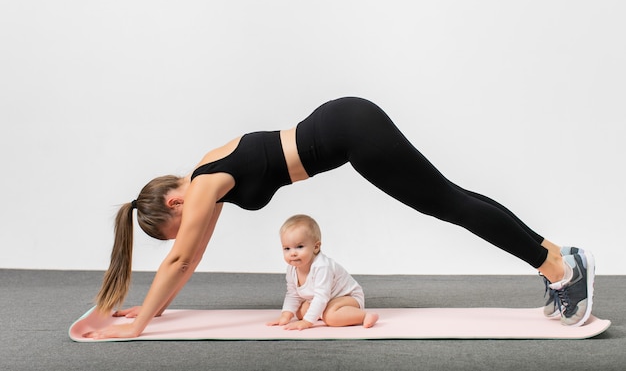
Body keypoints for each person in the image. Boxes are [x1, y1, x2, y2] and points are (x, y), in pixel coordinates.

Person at [85, 97, 594, 339]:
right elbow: (188, 260)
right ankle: (557, 258)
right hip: (345, 124)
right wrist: (154, 311)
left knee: (449, 204)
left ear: (174, 204)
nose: (185, 231)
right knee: (450, 199)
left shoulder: (201, 187)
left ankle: (561, 269)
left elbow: (179, 257)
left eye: (175, 226)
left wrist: (139, 325)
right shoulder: (204, 176)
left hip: (349, 131)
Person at [266, 214, 379, 330]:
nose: (292, 253)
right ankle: (322, 312)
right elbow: (292, 294)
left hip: (348, 297)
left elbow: (321, 296)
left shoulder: (322, 266)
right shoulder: (292, 269)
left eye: (299, 247)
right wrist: (285, 316)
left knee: (331, 317)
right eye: (287, 248)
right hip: (327, 298)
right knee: (300, 312)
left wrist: (307, 322)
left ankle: (365, 315)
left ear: (316, 247)